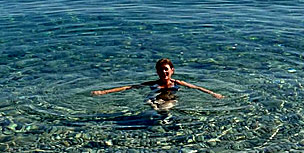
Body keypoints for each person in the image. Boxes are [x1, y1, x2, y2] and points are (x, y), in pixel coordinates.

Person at [91, 58, 223, 99]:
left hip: (171, 99)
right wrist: (103, 92)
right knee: (153, 104)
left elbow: (197, 87)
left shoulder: (177, 82)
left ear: (172, 71)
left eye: (166, 69)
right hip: (155, 99)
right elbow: (128, 87)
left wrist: (213, 93)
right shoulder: (153, 83)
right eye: (161, 70)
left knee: (167, 106)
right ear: (157, 72)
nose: (163, 72)